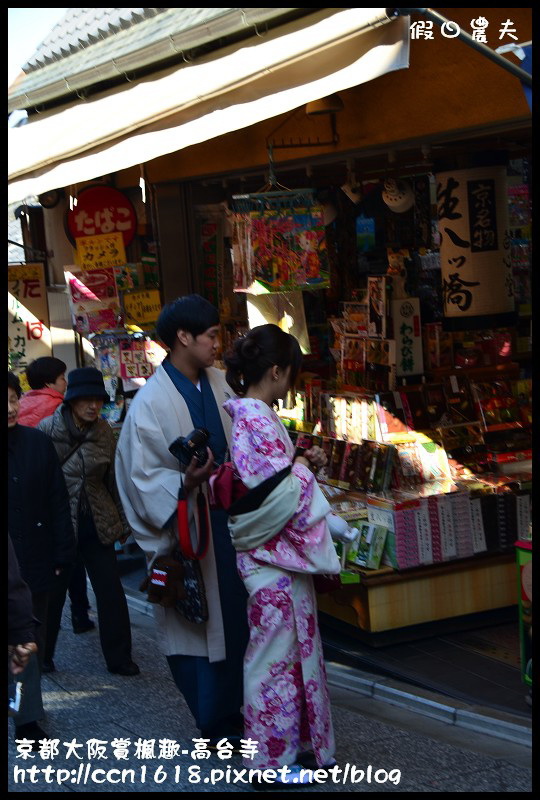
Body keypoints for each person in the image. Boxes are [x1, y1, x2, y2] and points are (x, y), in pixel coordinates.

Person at [115, 294, 248, 744]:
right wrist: (185, 485)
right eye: (211, 335)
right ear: (183, 337)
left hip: (232, 526)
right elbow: (140, 477)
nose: (217, 343)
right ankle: (213, 720)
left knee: (238, 621)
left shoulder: (221, 384)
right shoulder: (150, 402)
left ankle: (237, 711)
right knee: (198, 627)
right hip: (191, 532)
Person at [222, 324, 341, 785]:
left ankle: (286, 752)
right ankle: (270, 762)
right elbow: (283, 494)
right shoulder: (256, 417)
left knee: (279, 657)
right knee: (272, 662)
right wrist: (306, 470)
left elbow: (276, 485)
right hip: (272, 562)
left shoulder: (250, 414)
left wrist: (299, 470)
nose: (291, 384)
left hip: (269, 559)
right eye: (290, 373)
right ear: (276, 370)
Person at [38, 367, 139, 677]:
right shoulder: (46, 430)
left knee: (110, 591)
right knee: (53, 595)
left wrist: (123, 524)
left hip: (97, 520)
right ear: (71, 401)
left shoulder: (105, 431)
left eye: (98, 399)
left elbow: (113, 480)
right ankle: (42, 657)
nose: (94, 405)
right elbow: (39, 483)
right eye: (86, 400)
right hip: (60, 525)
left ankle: (119, 658)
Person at [8, 371, 76, 746]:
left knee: (28, 637)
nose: (9, 407)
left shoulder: (36, 443)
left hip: (33, 557)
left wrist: (62, 551)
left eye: (13, 398)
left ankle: (27, 717)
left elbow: (57, 500)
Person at [18, 356, 95, 637]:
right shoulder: (58, 407)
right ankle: (78, 614)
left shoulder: (22, 403)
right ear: (51, 381)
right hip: (63, 490)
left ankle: (41, 626)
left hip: (28, 495)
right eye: (63, 377)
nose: (66, 382)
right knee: (70, 558)